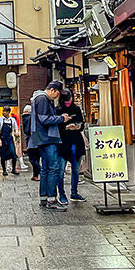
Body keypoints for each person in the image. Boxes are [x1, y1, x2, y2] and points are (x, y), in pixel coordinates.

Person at [28, 81, 72, 211]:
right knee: (53, 168)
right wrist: (61, 119)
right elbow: (44, 119)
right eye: (58, 93)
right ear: (52, 90)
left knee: (46, 169)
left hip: (42, 138)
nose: (58, 96)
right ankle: (51, 199)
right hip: (47, 138)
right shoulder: (42, 98)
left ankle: (44, 198)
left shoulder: (39, 97)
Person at [56, 91, 87, 203]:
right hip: (63, 143)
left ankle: (74, 192)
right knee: (60, 170)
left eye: (70, 99)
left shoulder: (76, 109)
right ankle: (62, 194)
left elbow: (82, 123)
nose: (69, 101)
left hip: (76, 141)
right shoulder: (57, 110)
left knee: (75, 169)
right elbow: (55, 128)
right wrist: (66, 127)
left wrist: (78, 127)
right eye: (66, 99)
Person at [0, 106, 20, 176]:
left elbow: (16, 128)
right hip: (3, 139)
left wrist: (16, 132)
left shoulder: (12, 120)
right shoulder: (0, 120)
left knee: (13, 154)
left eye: (5, 111)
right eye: (3, 111)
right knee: (3, 156)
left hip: (9, 139)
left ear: (8, 112)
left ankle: (14, 169)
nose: (3, 112)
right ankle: (4, 170)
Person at [21, 105, 41, 181]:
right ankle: (36, 174)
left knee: (32, 158)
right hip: (37, 139)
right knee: (36, 158)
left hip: (31, 141)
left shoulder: (26, 118)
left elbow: (27, 131)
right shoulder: (32, 117)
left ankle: (38, 171)